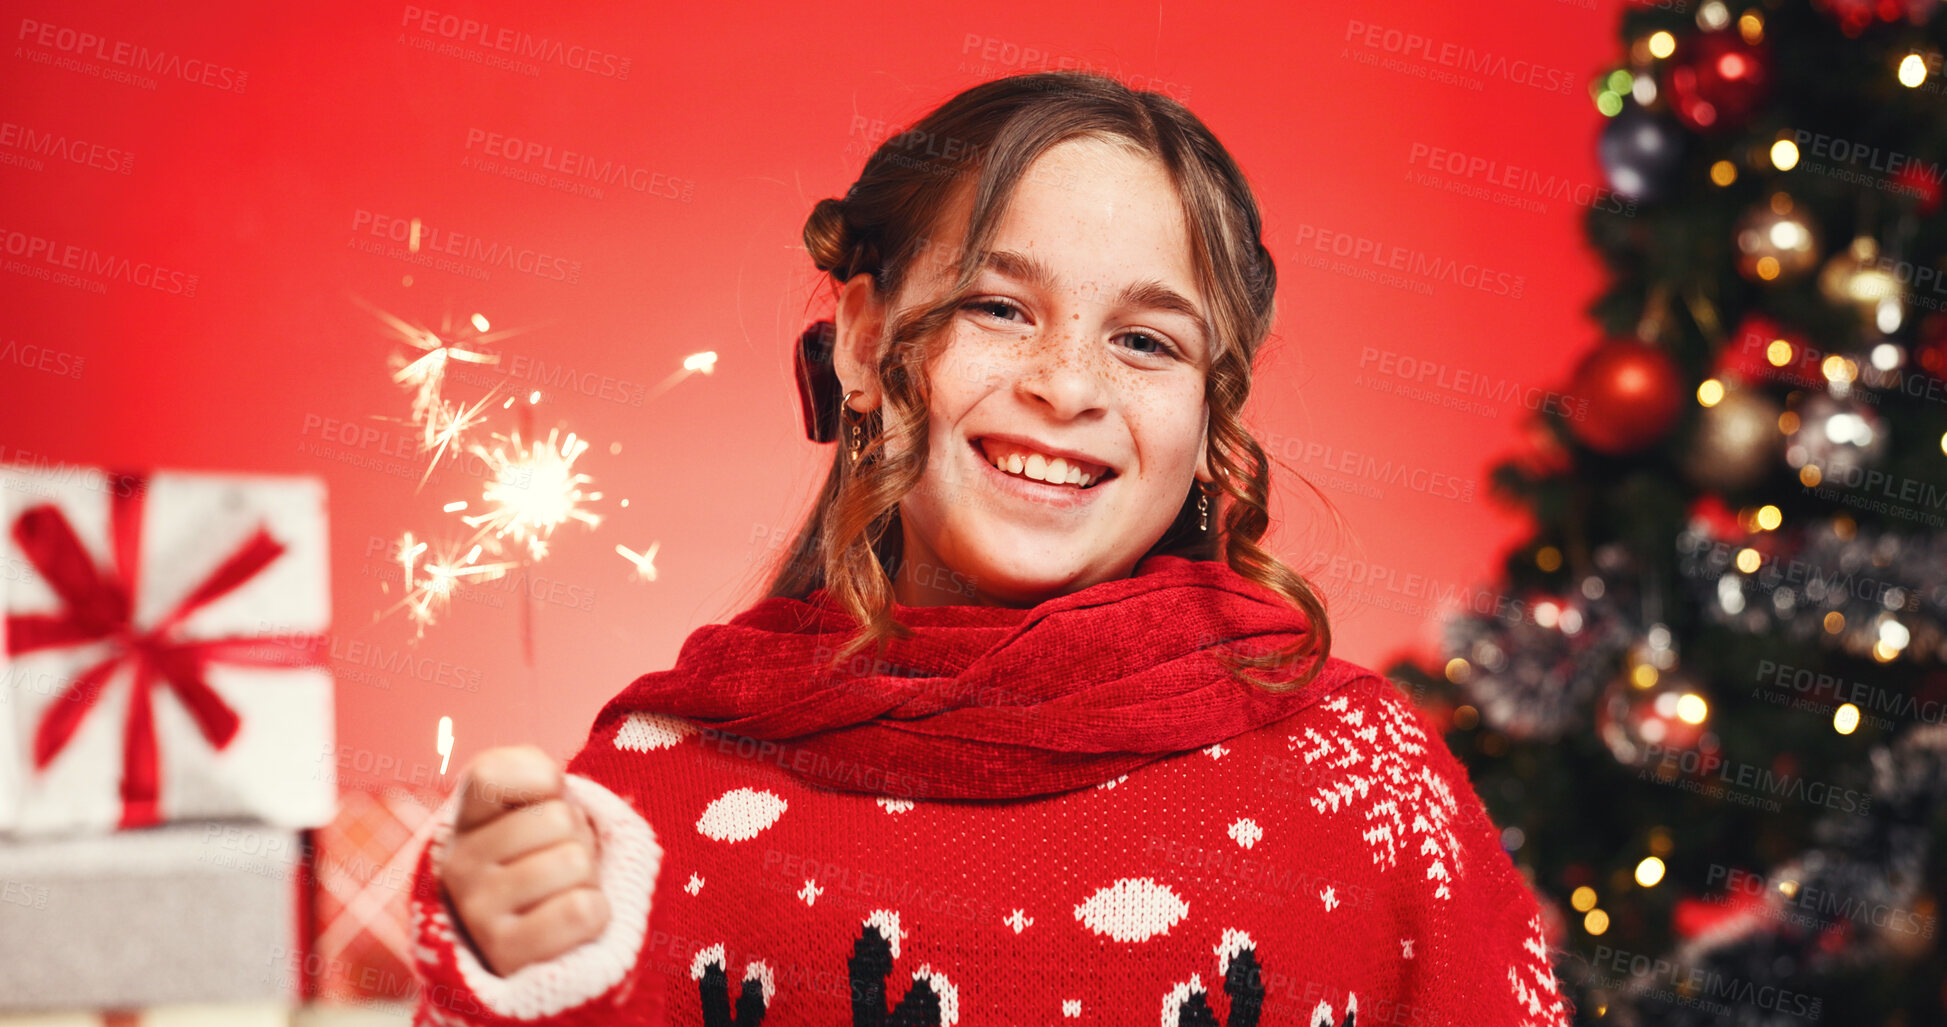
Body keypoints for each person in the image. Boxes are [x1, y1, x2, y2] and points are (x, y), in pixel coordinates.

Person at [408, 70, 1572, 1026]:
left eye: (1147, 340)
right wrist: (515, 976)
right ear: (863, 341)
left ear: (1212, 420)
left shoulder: (1364, 781)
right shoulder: (647, 801)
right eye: (997, 308)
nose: (1066, 384)